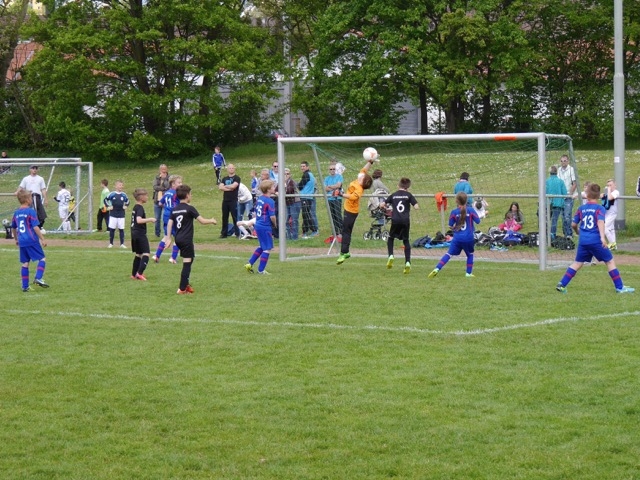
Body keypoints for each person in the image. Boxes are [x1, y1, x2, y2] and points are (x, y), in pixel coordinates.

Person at [556, 183, 634, 294]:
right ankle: (620, 287)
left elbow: (573, 224)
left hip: (583, 241)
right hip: (595, 240)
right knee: (609, 261)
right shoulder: (599, 208)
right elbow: (600, 222)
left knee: (577, 263)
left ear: (587, 195)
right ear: (598, 196)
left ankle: (562, 284)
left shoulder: (581, 208)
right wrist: (602, 238)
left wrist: (577, 231)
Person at [167, 184, 217, 294]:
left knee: (190, 259)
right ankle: (182, 288)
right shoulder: (190, 208)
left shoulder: (174, 209)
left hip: (178, 239)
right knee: (187, 263)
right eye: (190, 194)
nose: (191, 196)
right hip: (186, 239)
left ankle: (186, 284)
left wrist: (168, 238)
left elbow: (170, 223)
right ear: (187, 195)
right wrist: (212, 220)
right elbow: (202, 221)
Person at [428, 192, 481, 278]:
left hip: (457, 238)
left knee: (449, 254)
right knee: (470, 254)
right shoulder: (471, 210)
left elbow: (450, 225)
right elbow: (478, 221)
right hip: (468, 238)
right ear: (466, 200)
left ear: (457, 201)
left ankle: (437, 268)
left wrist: (455, 227)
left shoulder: (454, 212)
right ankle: (468, 273)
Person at [336, 158, 375, 264]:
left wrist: (341, 194)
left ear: (363, 182)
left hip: (351, 212)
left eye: (362, 177)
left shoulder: (359, 189)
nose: (361, 175)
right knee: (345, 230)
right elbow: (363, 170)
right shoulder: (359, 179)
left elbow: (353, 197)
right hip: (348, 209)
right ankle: (345, 252)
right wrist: (370, 162)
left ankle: (344, 253)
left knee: (346, 232)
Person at [11, 188, 49, 291]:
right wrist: (42, 239)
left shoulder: (16, 213)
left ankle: (25, 287)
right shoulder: (30, 211)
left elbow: (13, 227)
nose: (32, 200)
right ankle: (38, 278)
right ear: (27, 200)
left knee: (25, 263)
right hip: (31, 240)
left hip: (22, 241)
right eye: (31, 198)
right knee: (42, 258)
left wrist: (16, 239)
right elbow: (35, 227)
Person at [382, 177, 419, 274]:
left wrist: (383, 206)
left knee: (391, 238)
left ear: (398, 185)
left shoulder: (393, 195)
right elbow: (416, 207)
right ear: (408, 187)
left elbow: (383, 204)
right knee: (406, 240)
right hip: (405, 221)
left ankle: (391, 255)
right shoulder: (409, 195)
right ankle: (407, 262)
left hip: (395, 220)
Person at [244, 180, 277, 275]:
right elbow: (272, 216)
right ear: (268, 189)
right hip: (265, 226)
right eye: (273, 187)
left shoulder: (260, 199)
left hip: (258, 225)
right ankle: (261, 270)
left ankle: (249, 263)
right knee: (267, 248)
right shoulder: (270, 201)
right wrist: (275, 224)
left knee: (262, 246)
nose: (274, 188)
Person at [152, 174, 182, 263]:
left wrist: (167, 207)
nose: (181, 184)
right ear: (173, 184)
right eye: (179, 182)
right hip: (174, 216)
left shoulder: (167, 192)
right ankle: (173, 258)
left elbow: (160, 203)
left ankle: (156, 255)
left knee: (166, 236)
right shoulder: (177, 193)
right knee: (178, 237)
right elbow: (179, 204)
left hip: (165, 216)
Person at [130, 188, 156, 281]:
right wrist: (150, 219)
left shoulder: (135, 207)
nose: (147, 197)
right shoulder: (140, 208)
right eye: (146, 195)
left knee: (139, 254)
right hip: (140, 233)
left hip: (134, 233)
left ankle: (134, 274)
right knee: (146, 253)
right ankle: (139, 273)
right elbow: (139, 220)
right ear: (141, 197)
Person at [105, 179, 130, 248]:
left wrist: (126, 206)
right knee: (112, 229)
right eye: (119, 185)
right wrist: (108, 206)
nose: (121, 186)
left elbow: (128, 201)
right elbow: (105, 200)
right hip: (113, 214)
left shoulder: (124, 195)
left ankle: (122, 244)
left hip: (121, 215)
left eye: (122, 185)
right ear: (115, 186)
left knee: (121, 229)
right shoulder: (112, 194)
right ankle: (111, 243)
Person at [218, 163, 240, 238]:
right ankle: (224, 233)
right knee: (224, 217)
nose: (231, 169)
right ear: (227, 169)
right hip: (225, 200)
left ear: (234, 169)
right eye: (230, 168)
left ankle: (238, 233)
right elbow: (220, 187)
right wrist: (229, 188)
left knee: (235, 217)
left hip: (233, 200)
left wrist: (226, 186)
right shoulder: (224, 178)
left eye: (232, 168)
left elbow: (234, 186)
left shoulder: (237, 178)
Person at [557, 154, 577, 238]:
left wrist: (570, 193)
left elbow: (574, 183)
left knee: (567, 216)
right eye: (561, 161)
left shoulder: (571, 169)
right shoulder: (559, 170)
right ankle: (565, 233)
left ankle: (569, 234)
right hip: (561, 196)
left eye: (565, 161)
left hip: (569, 196)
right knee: (563, 216)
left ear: (568, 161)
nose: (563, 162)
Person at [546, 165, 567, 239]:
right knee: (554, 220)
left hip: (548, 203)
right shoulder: (560, 182)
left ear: (549, 172)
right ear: (557, 172)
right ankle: (553, 234)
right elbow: (565, 193)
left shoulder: (547, 181)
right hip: (558, 203)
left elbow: (544, 191)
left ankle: (546, 234)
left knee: (547, 219)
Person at [324, 162, 343, 239]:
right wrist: (334, 187)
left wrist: (330, 187)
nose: (332, 170)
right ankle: (335, 232)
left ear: (336, 169)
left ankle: (341, 232)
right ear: (329, 170)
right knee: (332, 216)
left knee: (338, 215)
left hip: (337, 198)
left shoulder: (339, 177)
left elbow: (338, 185)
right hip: (329, 199)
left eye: (333, 169)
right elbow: (325, 189)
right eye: (331, 169)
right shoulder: (326, 178)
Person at [299, 161, 318, 238]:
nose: (302, 168)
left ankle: (314, 230)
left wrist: (297, 185)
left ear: (307, 167)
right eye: (301, 166)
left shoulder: (306, 175)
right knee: (306, 214)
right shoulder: (311, 174)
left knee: (306, 214)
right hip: (308, 197)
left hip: (305, 197)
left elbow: (300, 186)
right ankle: (305, 231)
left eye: (303, 166)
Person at [152, 164, 170, 237]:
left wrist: (164, 179)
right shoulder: (157, 177)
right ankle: (157, 233)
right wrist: (163, 188)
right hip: (157, 200)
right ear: (160, 170)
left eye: (165, 169)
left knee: (165, 218)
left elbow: (168, 187)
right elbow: (154, 187)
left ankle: (166, 233)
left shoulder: (169, 178)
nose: (163, 170)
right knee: (157, 218)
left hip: (165, 201)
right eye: (162, 169)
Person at [602, 178, 620, 250]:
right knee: (611, 229)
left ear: (615, 185)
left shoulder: (616, 192)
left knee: (604, 227)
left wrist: (609, 190)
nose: (609, 187)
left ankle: (612, 244)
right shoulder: (607, 193)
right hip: (606, 213)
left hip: (612, 213)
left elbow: (610, 198)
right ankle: (614, 246)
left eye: (611, 185)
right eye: (608, 185)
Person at [284, 167, 301, 240]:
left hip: (295, 202)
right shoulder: (281, 182)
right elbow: (276, 189)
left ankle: (295, 237)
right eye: (284, 174)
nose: (286, 175)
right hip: (287, 203)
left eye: (287, 174)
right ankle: (288, 236)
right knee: (286, 220)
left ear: (290, 175)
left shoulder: (292, 182)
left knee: (294, 220)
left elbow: (289, 190)